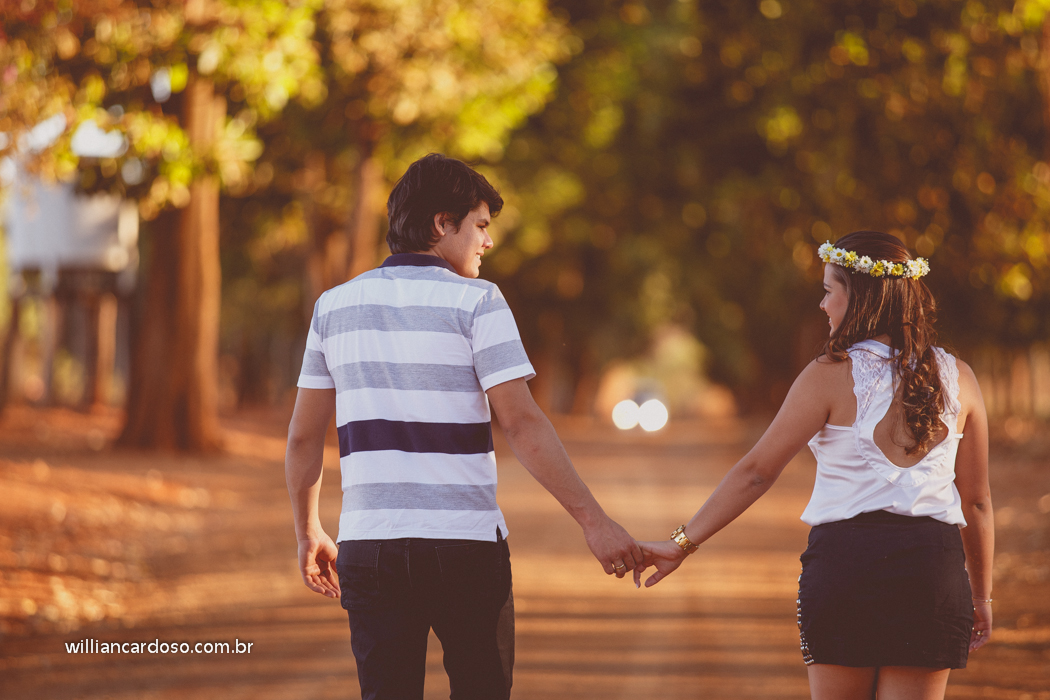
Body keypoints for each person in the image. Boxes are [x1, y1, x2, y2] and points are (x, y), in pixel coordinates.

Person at [285, 153, 642, 700]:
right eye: (480, 225)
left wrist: (308, 529)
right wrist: (594, 523)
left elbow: (304, 437)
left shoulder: (333, 307)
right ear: (441, 224)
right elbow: (522, 424)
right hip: (464, 548)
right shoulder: (478, 302)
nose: (487, 241)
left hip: (370, 547)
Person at [635, 230, 994, 700]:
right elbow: (977, 502)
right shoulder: (960, 377)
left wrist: (682, 543)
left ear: (859, 296)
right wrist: (981, 596)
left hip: (846, 568)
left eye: (828, 291)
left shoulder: (827, 375)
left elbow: (757, 472)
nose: (823, 305)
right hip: (934, 573)